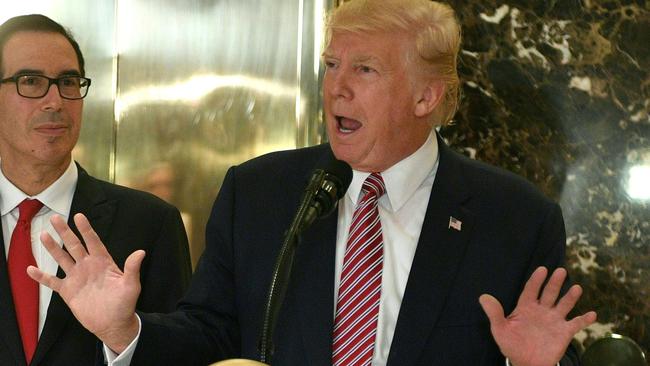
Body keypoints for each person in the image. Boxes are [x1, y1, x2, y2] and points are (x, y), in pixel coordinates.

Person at [28, 1, 596, 365]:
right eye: (330, 65)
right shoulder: (259, 193)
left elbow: (544, 347)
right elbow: (211, 335)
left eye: (364, 70)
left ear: (427, 96)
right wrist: (127, 331)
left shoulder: (515, 218)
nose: (336, 89)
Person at [0, 14, 192, 366]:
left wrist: (123, 335)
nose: (55, 101)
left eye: (68, 82)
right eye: (30, 81)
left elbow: (187, 355)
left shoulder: (151, 224)